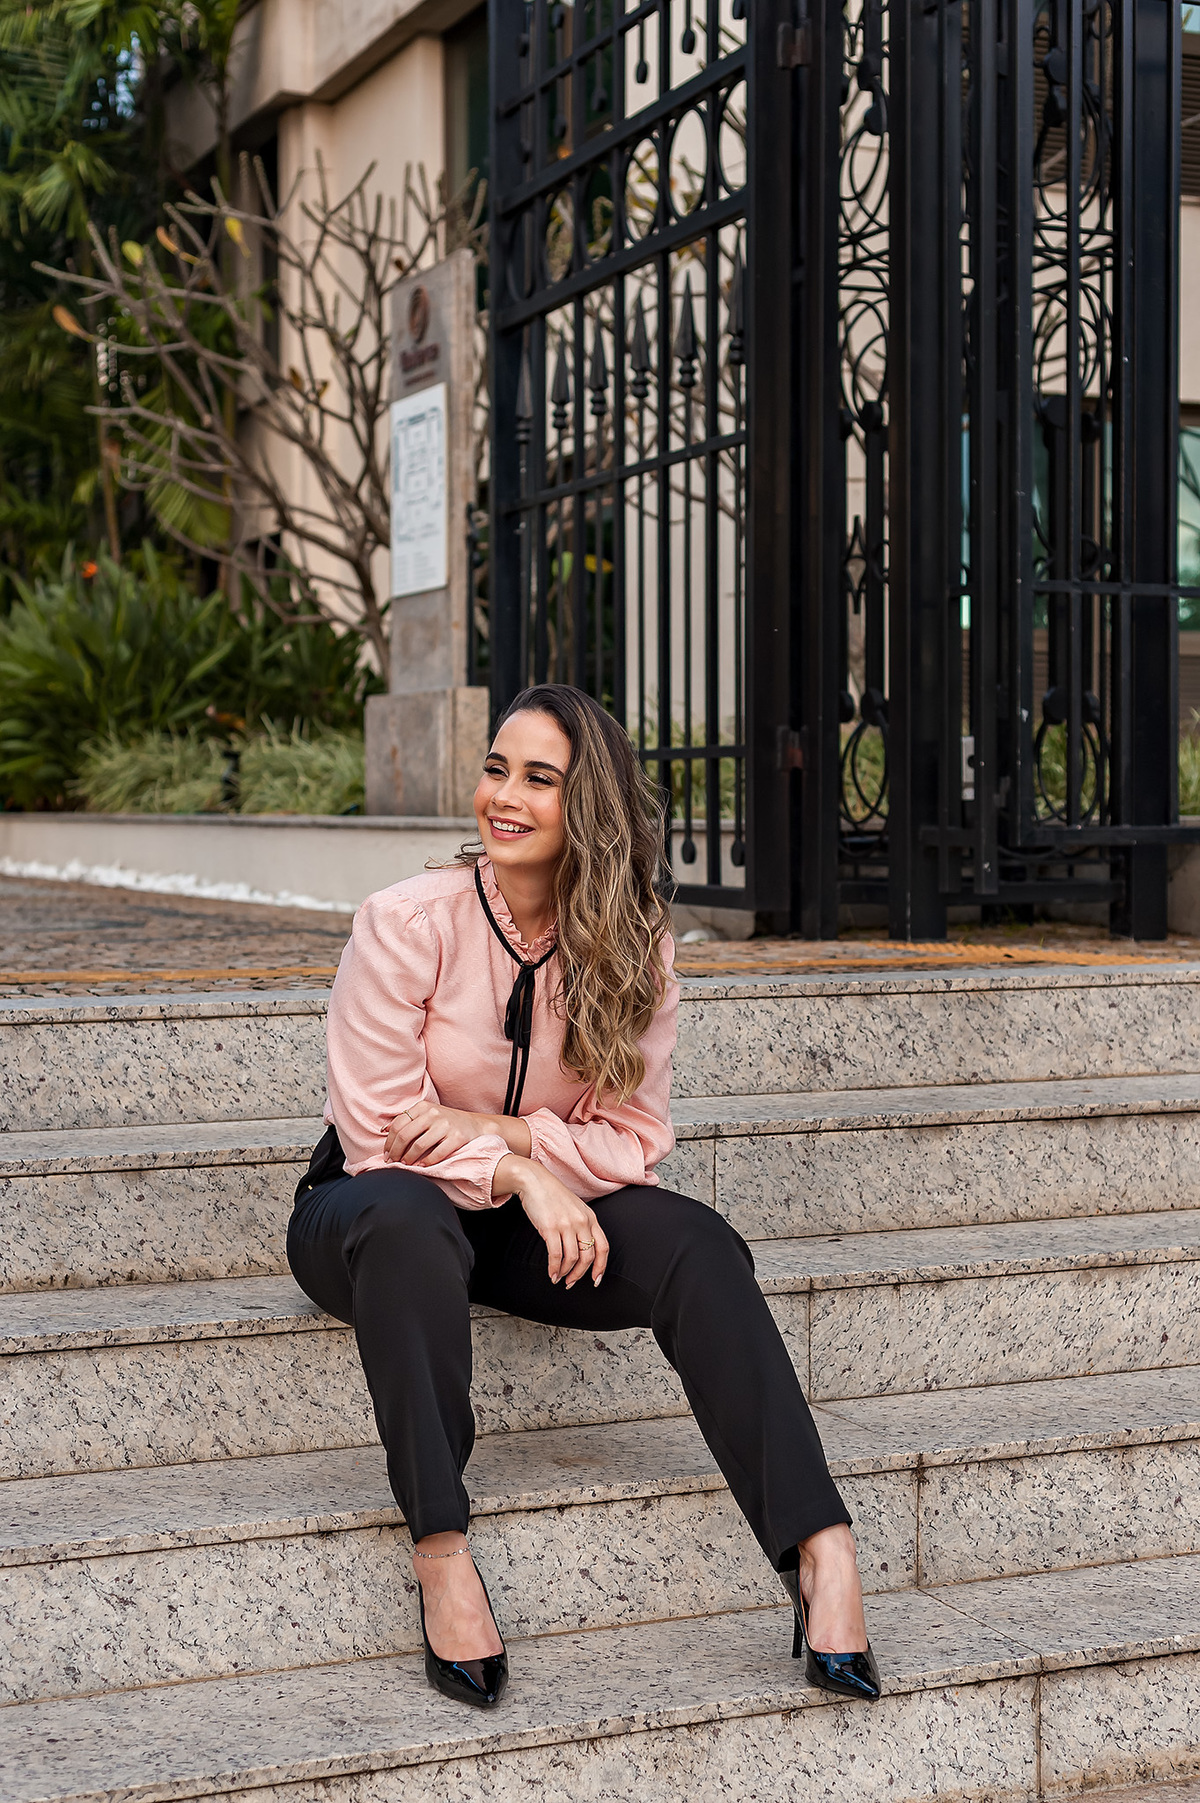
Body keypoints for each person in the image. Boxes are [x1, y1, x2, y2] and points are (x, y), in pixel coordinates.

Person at [287, 682, 880, 1711]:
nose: (503, 797)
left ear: (588, 807)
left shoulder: (632, 940)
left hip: (523, 1226)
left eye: (539, 779)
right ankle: (440, 1549)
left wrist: (511, 1136)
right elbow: (378, 1128)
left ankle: (820, 1548)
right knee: (409, 1217)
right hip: (365, 1214)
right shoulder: (403, 921)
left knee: (698, 1243)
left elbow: (636, 1138)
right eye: (496, 768)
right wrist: (520, 1174)